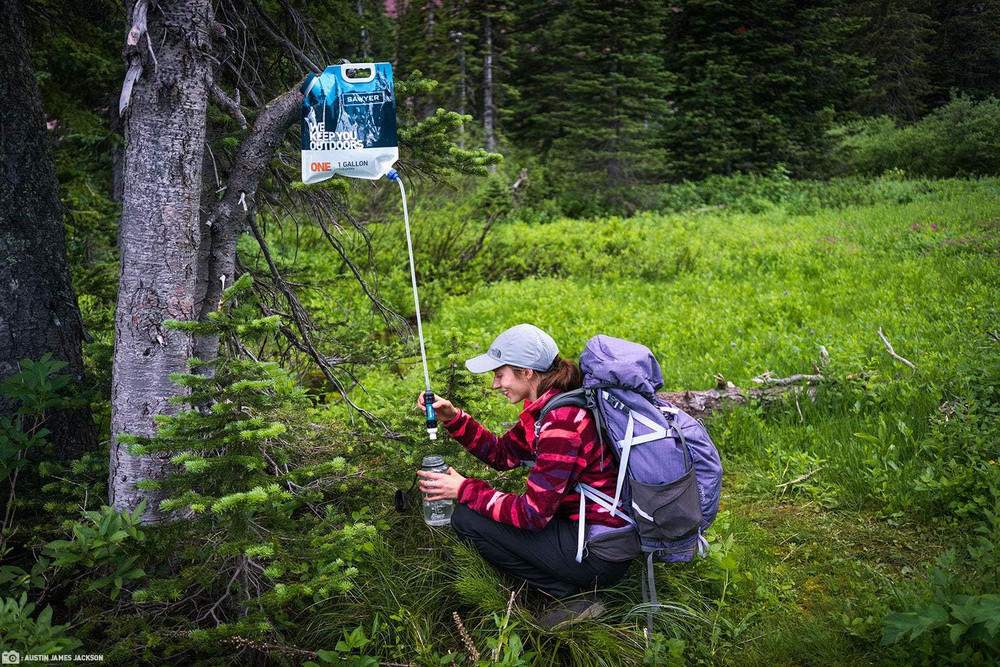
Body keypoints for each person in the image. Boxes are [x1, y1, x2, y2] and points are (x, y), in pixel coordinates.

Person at [417, 324, 639, 628]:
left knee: (466, 519)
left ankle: (569, 595)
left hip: (600, 552)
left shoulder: (562, 423)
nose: (495, 384)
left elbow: (532, 514)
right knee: (472, 514)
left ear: (525, 372)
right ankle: (570, 589)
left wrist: (465, 489)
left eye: (499, 374)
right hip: (590, 532)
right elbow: (502, 454)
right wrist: (454, 419)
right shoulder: (551, 406)